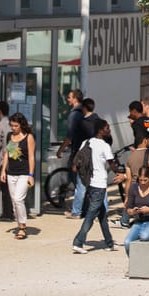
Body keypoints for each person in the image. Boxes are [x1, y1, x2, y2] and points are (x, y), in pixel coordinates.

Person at [72, 118, 118, 254]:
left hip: (89, 183)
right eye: (107, 128)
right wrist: (121, 173)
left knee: (102, 214)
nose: (109, 130)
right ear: (100, 130)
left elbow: (78, 159)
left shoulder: (86, 142)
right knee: (91, 215)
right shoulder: (105, 146)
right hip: (99, 183)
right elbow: (112, 165)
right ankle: (78, 241)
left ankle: (109, 242)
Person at [0, 112, 35, 240]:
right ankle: (19, 223)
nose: (13, 128)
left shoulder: (28, 137)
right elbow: (8, 154)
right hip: (11, 173)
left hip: (24, 173)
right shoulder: (11, 136)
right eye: (11, 126)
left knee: (19, 199)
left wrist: (31, 174)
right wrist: (3, 171)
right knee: (14, 201)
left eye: (15, 126)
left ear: (21, 125)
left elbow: (31, 156)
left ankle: (22, 227)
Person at [56, 89, 91, 218]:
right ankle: (86, 209)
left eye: (69, 97)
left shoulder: (74, 115)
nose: (67, 99)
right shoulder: (85, 112)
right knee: (84, 181)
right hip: (87, 151)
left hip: (78, 152)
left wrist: (61, 149)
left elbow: (69, 136)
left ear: (75, 99)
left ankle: (80, 210)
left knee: (77, 180)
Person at [120, 131, 149, 228]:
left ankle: (125, 220)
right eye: (148, 140)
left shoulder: (130, 158)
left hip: (134, 186)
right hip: (147, 185)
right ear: (145, 140)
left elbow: (128, 179)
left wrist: (126, 195)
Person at [122, 166, 149, 255]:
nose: (142, 183)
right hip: (139, 221)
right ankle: (134, 262)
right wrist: (133, 211)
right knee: (127, 242)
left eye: (145, 180)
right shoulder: (133, 188)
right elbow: (128, 209)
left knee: (144, 236)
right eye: (140, 180)